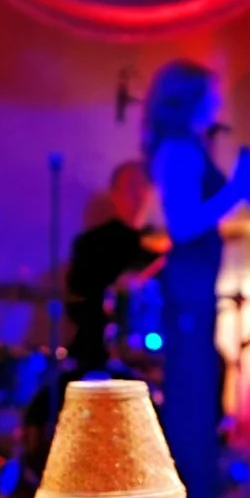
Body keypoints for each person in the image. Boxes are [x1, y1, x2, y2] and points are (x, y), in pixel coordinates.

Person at [142, 61, 250, 498]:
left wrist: (239, 187)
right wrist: (236, 188)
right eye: (213, 94)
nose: (219, 102)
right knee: (191, 390)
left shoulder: (188, 147)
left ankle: (194, 495)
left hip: (197, 283)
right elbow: (183, 224)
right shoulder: (178, 150)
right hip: (189, 285)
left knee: (198, 383)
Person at [64, 158, 162, 375]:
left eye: (144, 187)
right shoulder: (91, 244)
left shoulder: (162, 245)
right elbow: (76, 303)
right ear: (114, 193)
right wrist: (115, 293)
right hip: (100, 349)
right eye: (131, 188)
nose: (138, 195)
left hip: (155, 348)